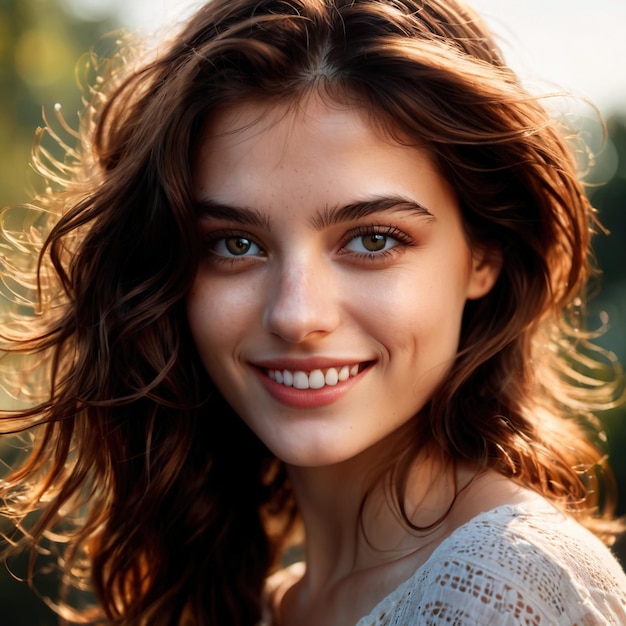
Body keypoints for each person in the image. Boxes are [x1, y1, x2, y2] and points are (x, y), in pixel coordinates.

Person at [1, 0, 625, 624]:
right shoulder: (266, 603)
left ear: (483, 255)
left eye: (374, 239)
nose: (297, 315)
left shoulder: (506, 588)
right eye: (235, 244)